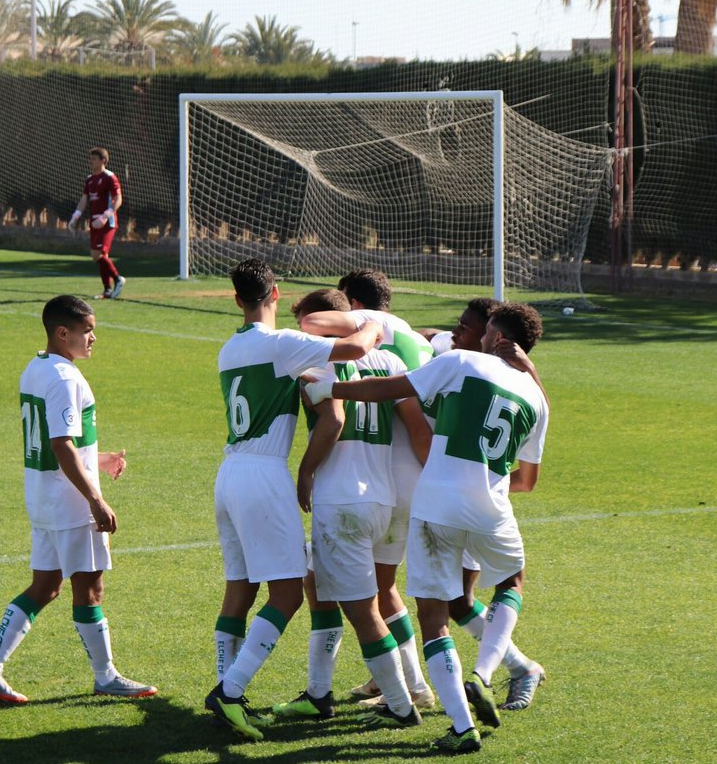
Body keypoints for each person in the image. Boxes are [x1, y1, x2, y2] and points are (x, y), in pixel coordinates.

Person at [304, 304, 549, 754]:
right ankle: (486, 672)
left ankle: (461, 725)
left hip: (435, 502)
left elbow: (391, 389)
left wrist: (331, 388)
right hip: (493, 507)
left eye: (480, 330)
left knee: (435, 621)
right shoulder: (536, 398)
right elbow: (527, 481)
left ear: (494, 337)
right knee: (510, 582)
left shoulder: (458, 363)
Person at [207, 259, 384, 742]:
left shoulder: (228, 349)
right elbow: (353, 348)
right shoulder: (281, 343)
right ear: (276, 293)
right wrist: (373, 321)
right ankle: (229, 692)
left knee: (239, 588)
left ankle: (228, 687)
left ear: (236, 297)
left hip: (230, 473)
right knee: (286, 593)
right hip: (265, 475)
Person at [0, 295, 156, 705]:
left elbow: (56, 439)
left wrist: (99, 458)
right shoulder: (66, 378)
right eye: (87, 331)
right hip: (70, 503)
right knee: (89, 588)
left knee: (45, 586)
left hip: (42, 496)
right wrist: (94, 498)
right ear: (62, 332)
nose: (94, 338)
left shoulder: (35, 368)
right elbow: (61, 444)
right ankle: (106, 676)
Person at [270, 289, 431, 730]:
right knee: (316, 582)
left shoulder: (319, 358)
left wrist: (305, 472)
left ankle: (402, 705)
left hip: (342, 498)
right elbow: (415, 425)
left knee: (364, 611)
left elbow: (335, 420)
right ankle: (318, 694)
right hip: (383, 496)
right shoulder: (390, 362)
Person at [419, 299, 548, 711]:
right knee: (454, 601)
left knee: (453, 599)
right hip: (451, 502)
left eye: (465, 328)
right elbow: (423, 335)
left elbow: (525, 479)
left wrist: (477, 478)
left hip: (463, 505)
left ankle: (502, 672)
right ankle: (519, 666)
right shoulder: (454, 354)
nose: (455, 333)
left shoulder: (477, 369)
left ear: (491, 338)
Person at [68, 147, 125, 300]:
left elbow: (118, 199)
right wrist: (75, 216)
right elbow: (84, 199)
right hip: (94, 222)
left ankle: (118, 279)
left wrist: (107, 215)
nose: (91, 161)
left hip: (107, 222)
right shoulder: (89, 179)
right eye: (90, 158)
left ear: (103, 161)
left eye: (94, 159)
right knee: (101, 256)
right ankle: (107, 290)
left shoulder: (109, 177)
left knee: (96, 254)